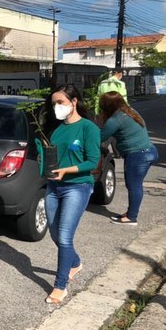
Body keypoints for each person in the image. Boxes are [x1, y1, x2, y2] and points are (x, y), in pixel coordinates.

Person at [42, 84, 101, 305]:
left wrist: (68, 171)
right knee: (56, 235)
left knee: (65, 236)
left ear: (74, 101)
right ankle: (75, 263)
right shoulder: (57, 130)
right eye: (54, 103)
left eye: (61, 102)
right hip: (54, 187)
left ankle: (60, 286)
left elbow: (93, 162)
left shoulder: (88, 128)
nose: (57, 107)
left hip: (77, 186)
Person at [99, 92, 158, 226]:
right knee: (136, 185)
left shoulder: (115, 119)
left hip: (138, 155)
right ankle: (131, 213)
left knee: (134, 186)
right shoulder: (130, 111)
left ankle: (132, 217)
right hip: (150, 151)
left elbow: (99, 138)